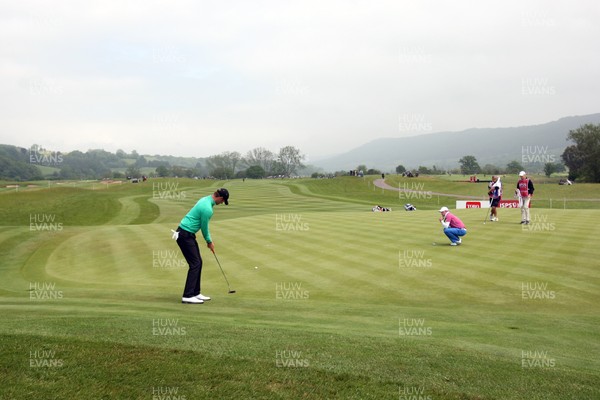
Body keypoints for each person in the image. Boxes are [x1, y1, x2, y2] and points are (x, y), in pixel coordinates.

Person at [173, 188, 230, 304]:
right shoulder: (207, 208)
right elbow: (205, 228)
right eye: (223, 201)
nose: (222, 203)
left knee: (198, 262)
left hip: (186, 234)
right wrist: (209, 242)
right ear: (220, 198)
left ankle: (196, 293)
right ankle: (187, 295)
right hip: (185, 235)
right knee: (195, 264)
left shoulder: (205, 199)